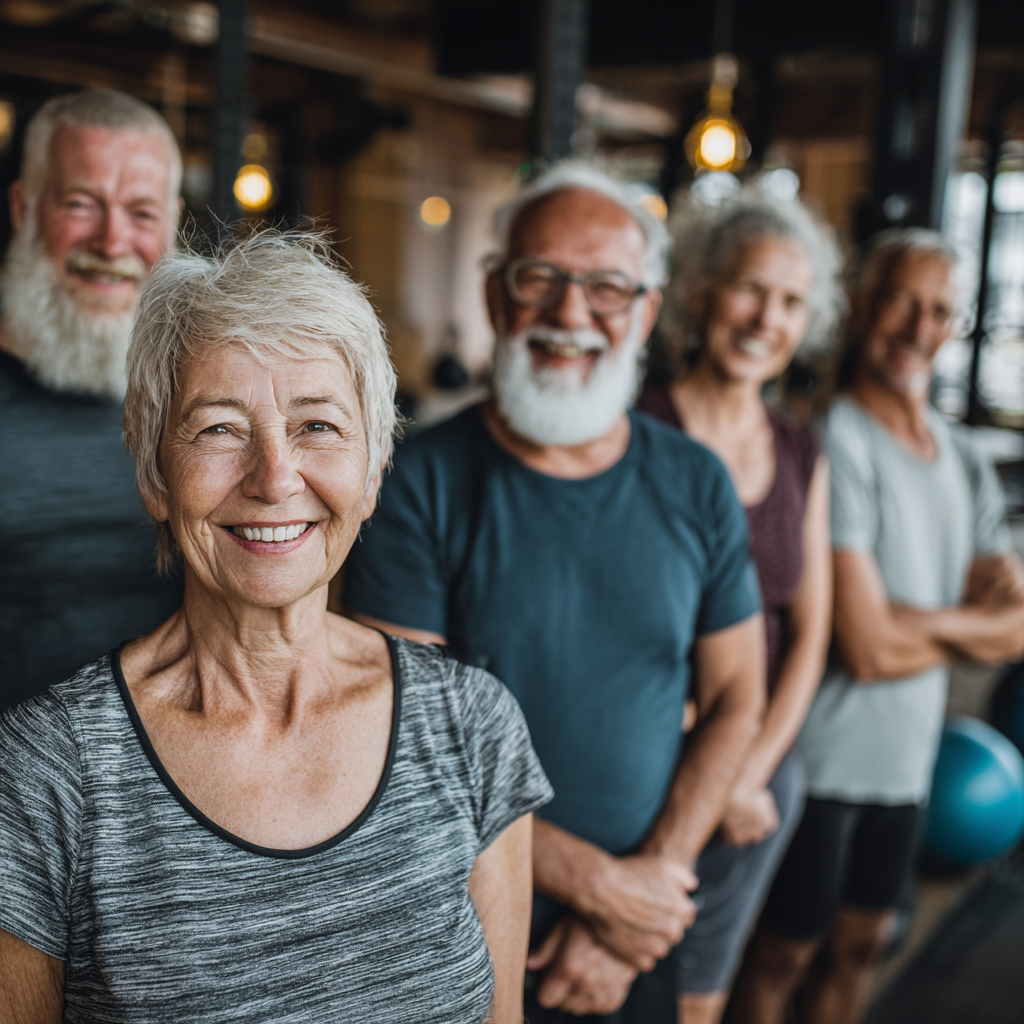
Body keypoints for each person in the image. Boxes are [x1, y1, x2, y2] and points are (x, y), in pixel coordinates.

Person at [0, 230, 553, 1024]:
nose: (275, 478)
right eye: (220, 427)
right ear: (155, 475)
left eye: (318, 426)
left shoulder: (473, 728)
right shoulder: (49, 773)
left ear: (371, 472)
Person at [341, 160, 766, 1022]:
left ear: (646, 311)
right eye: (540, 279)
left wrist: (641, 896)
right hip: (464, 920)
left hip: (648, 914)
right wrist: (602, 889)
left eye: (607, 287)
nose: (571, 314)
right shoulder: (415, 485)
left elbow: (736, 696)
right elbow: (400, 752)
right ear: (496, 296)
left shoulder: (696, 481)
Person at [731, 228, 1024, 1024]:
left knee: (862, 943)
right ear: (862, 306)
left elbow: (1014, 629)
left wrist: (911, 621)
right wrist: (962, 624)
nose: (918, 325)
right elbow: (865, 645)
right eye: (901, 300)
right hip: (822, 761)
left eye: (939, 309)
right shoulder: (833, 440)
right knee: (782, 952)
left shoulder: (962, 455)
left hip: (907, 759)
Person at [635, 187, 842, 1023]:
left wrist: (747, 772)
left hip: (759, 783)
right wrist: (709, 768)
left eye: (791, 302)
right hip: (649, 764)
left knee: (700, 998)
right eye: (751, 289)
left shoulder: (800, 448)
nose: (767, 318)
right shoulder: (636, 430)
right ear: (699, 293)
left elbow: (810, 632)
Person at [0, 89, 184, 712]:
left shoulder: (204, 399)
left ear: (174, 223)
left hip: (170, 790)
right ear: (24, 206)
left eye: (141, 213)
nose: (112, 241)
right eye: (81, 204)